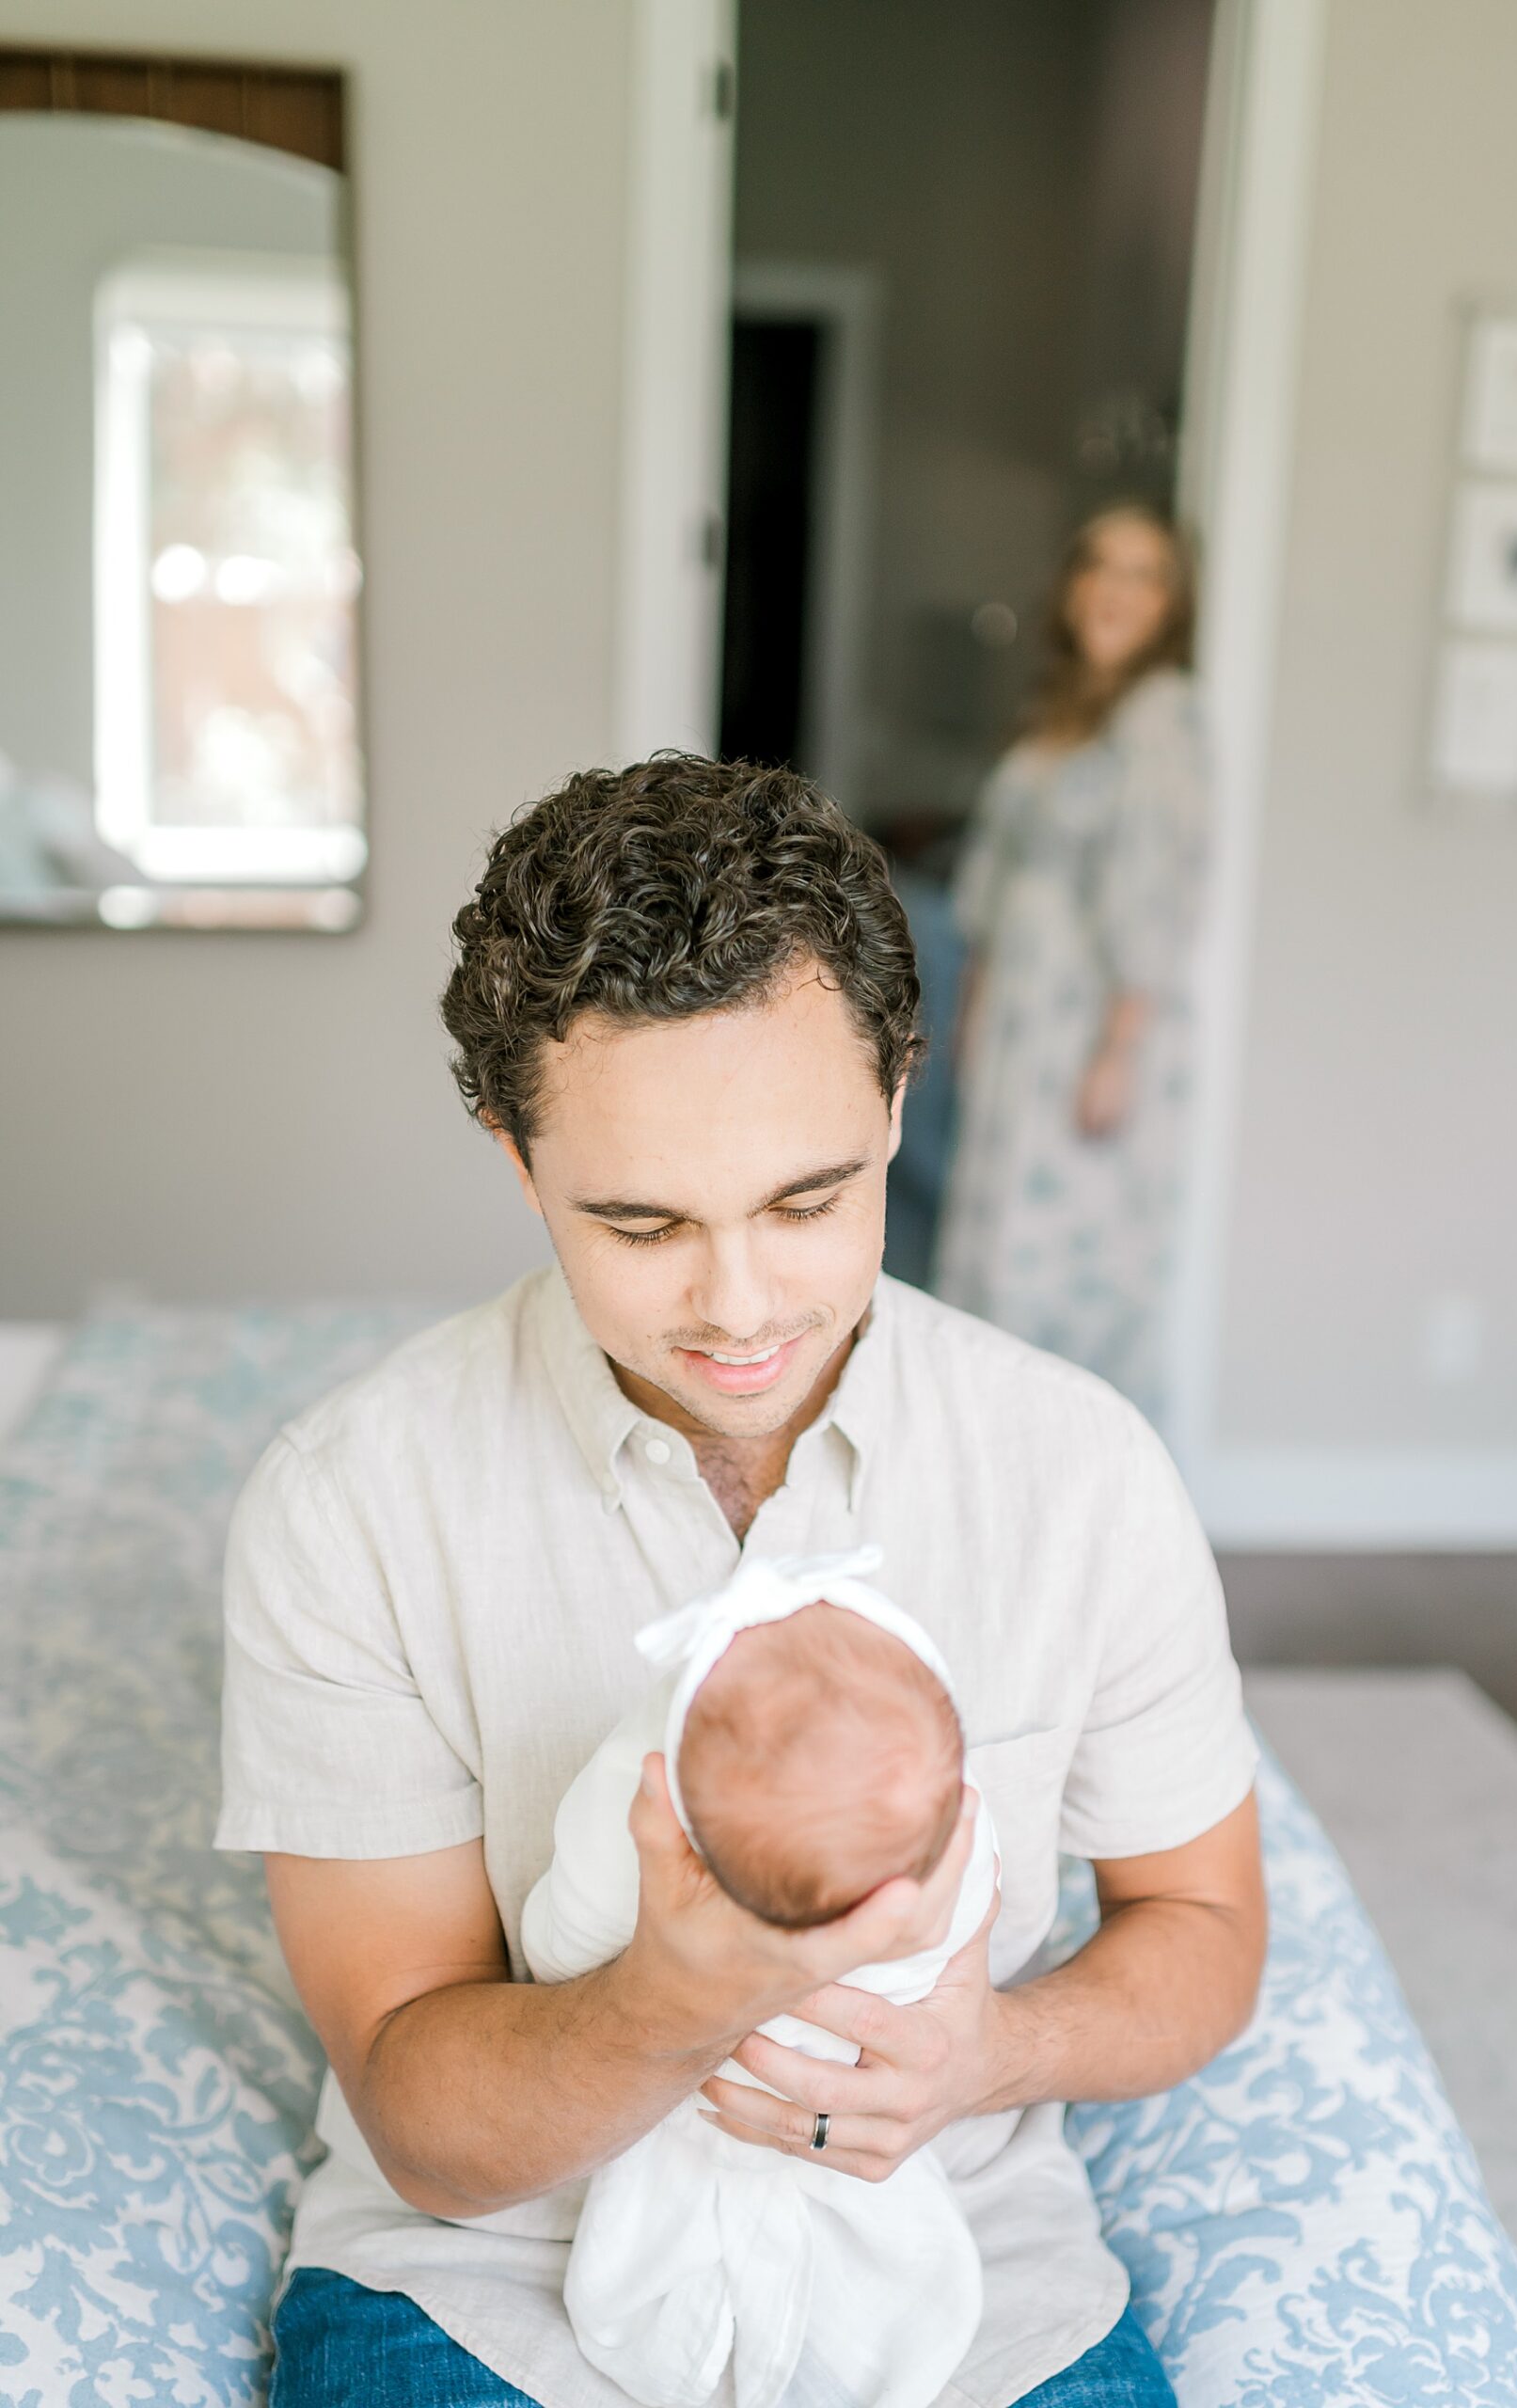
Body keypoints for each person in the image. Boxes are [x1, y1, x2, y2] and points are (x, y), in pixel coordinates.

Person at [216, 753, 1265, 2408]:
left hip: (963, 2302)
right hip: (492, 2295)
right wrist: (663, 2005)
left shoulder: (1078, 1475)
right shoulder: (351, 1506)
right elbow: (419, 2108)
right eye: (640, 1227)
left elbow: (1199, 1923)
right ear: (514, 1159)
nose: (739, 1306)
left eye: (810, 1199)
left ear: (898, 1104)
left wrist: (991, 2049)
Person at [521, 1549, 999, 2408]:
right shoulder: (943, 1891)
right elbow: (974, 1876)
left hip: (669, 2133)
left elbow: (555, 1950)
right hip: (869, 2154)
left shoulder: (632, 1828)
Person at [934, 506, 1208, 1422]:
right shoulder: (1056, 714)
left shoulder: (1162, 720)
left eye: (1144, 572)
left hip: (1086, 1038)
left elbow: (1157, 901)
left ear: (1173, 605)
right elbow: (991, 885)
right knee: (995, 1252)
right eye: (1098, 563)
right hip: (1017, 1032)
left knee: (1062, 1267)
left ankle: (1079, 1513)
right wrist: (973, 1013)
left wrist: (1117, 1054)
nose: (1114, 588)